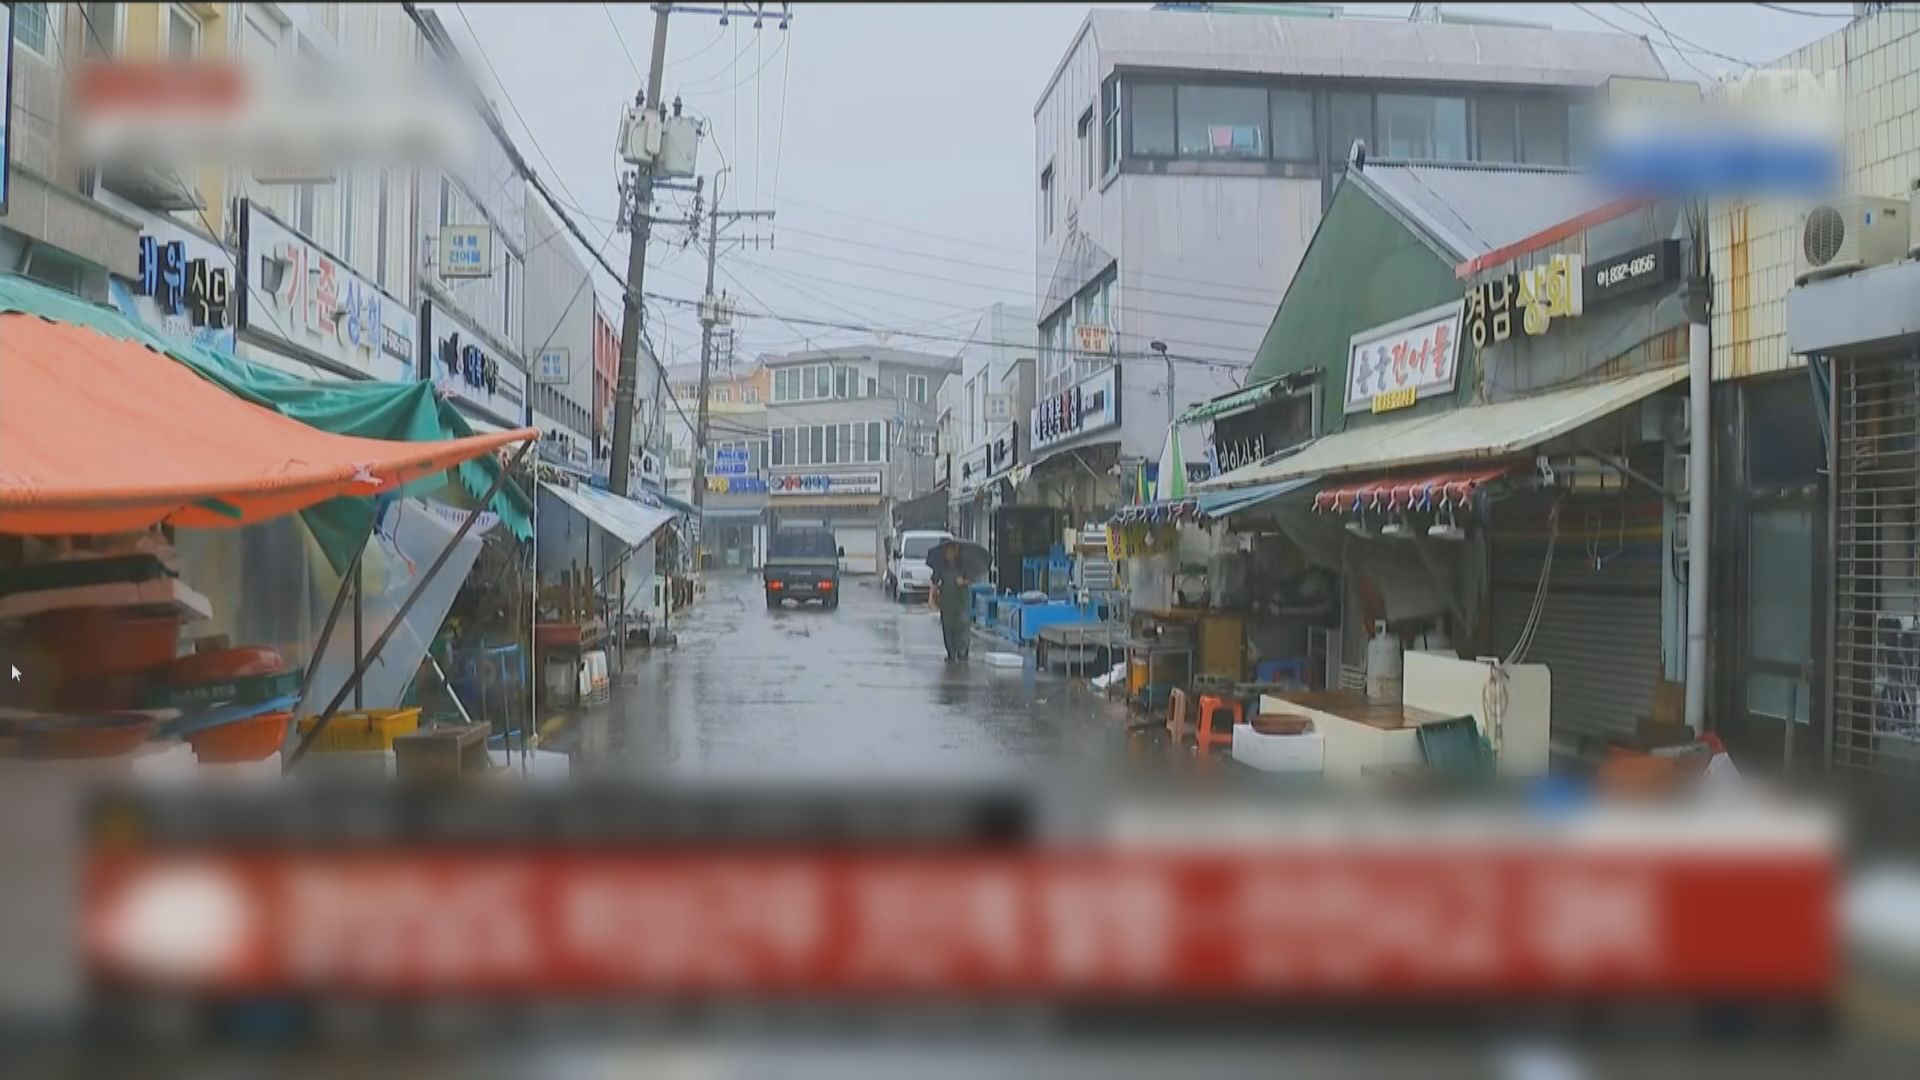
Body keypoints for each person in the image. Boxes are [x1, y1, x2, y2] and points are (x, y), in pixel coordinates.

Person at [928, 545, 971, 662]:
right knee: (947, 627)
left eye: (953, 550)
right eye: (949, 551)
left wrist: (964, 581)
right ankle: (951, 653)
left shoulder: (963, 564)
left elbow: (971, 578)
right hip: (947, 601)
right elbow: (934, 583)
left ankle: (962, 653)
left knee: (962, 626)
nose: (951, 553)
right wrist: (931, 598)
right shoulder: (940, 566)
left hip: (961, 600)